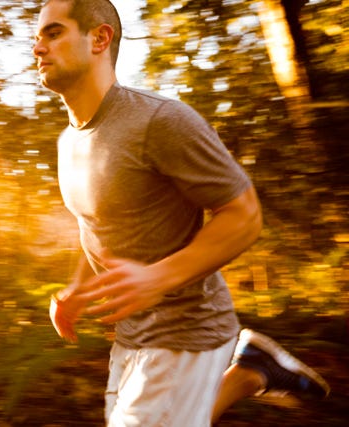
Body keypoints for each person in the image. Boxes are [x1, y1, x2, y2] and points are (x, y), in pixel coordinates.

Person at [32, 0, 330, 425]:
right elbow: (98, 224)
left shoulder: (159, 121)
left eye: (53, 32)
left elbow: (243, 213)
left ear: (100, 38)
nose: (38, 46)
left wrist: (158, 277)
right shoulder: (69, 142)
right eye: (36, 36)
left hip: (186, 334)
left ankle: (247, 371)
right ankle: (251, 371)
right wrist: (77, 290)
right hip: (132, 337)